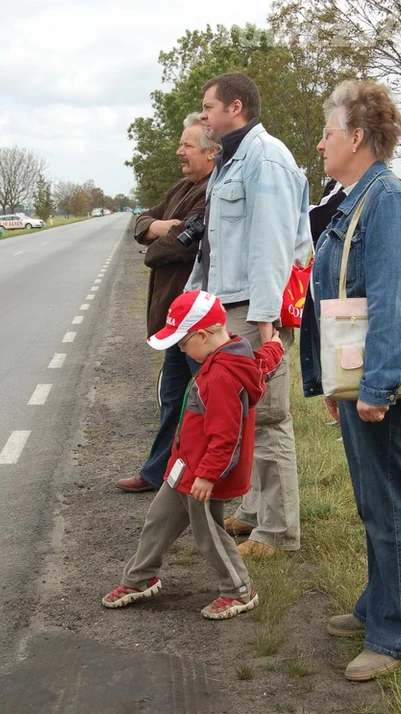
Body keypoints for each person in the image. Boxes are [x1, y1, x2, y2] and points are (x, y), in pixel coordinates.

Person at [300, 80, 401, 681]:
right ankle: (380, 602)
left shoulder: (387, 201)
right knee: (370, 500)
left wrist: (376, 387)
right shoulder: (353, 198)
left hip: (381, 384)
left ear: (356, 136)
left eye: (328, 132)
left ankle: (400, 632)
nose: (321, 143)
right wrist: (338, 386)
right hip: (358, 381)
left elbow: (392, 301)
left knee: (388, 501)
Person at [186, 72, 311, 557]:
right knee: (245, 413)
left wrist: (265, 326)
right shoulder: (230, 160)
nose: (203, 116)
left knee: (271, 418)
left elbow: (271, 249)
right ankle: (257, 511)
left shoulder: (267, 159)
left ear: (235, 108)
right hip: (230, 306)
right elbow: (216, 248)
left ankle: (279, 532)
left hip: (255, 313)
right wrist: (199, 303)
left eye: (208, 108)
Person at [102, 290, 284, 619]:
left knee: (209, 534)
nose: (181, 349)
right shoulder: (228, 357)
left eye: (183, 343)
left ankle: (239, 590)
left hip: (203, 475)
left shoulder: (221, 375)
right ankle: (139, 578)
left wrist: (208, 475)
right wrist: (274, 345)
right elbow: (261, 360)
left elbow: (226, 435)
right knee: (158, 521)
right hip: (184, 468)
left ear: (203, 334)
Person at [116, 114, 220, 493]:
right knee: (172, 397)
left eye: (187, 145)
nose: (179, 151)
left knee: (206, 399)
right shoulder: (181, 186)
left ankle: (208, 476)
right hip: (176, 322)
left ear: (211, 153)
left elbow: (181, 244)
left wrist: (157, 240)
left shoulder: (214, 189)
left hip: (198, 320)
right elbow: (141, 223)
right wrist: (158, 227)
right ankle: (159, 472)